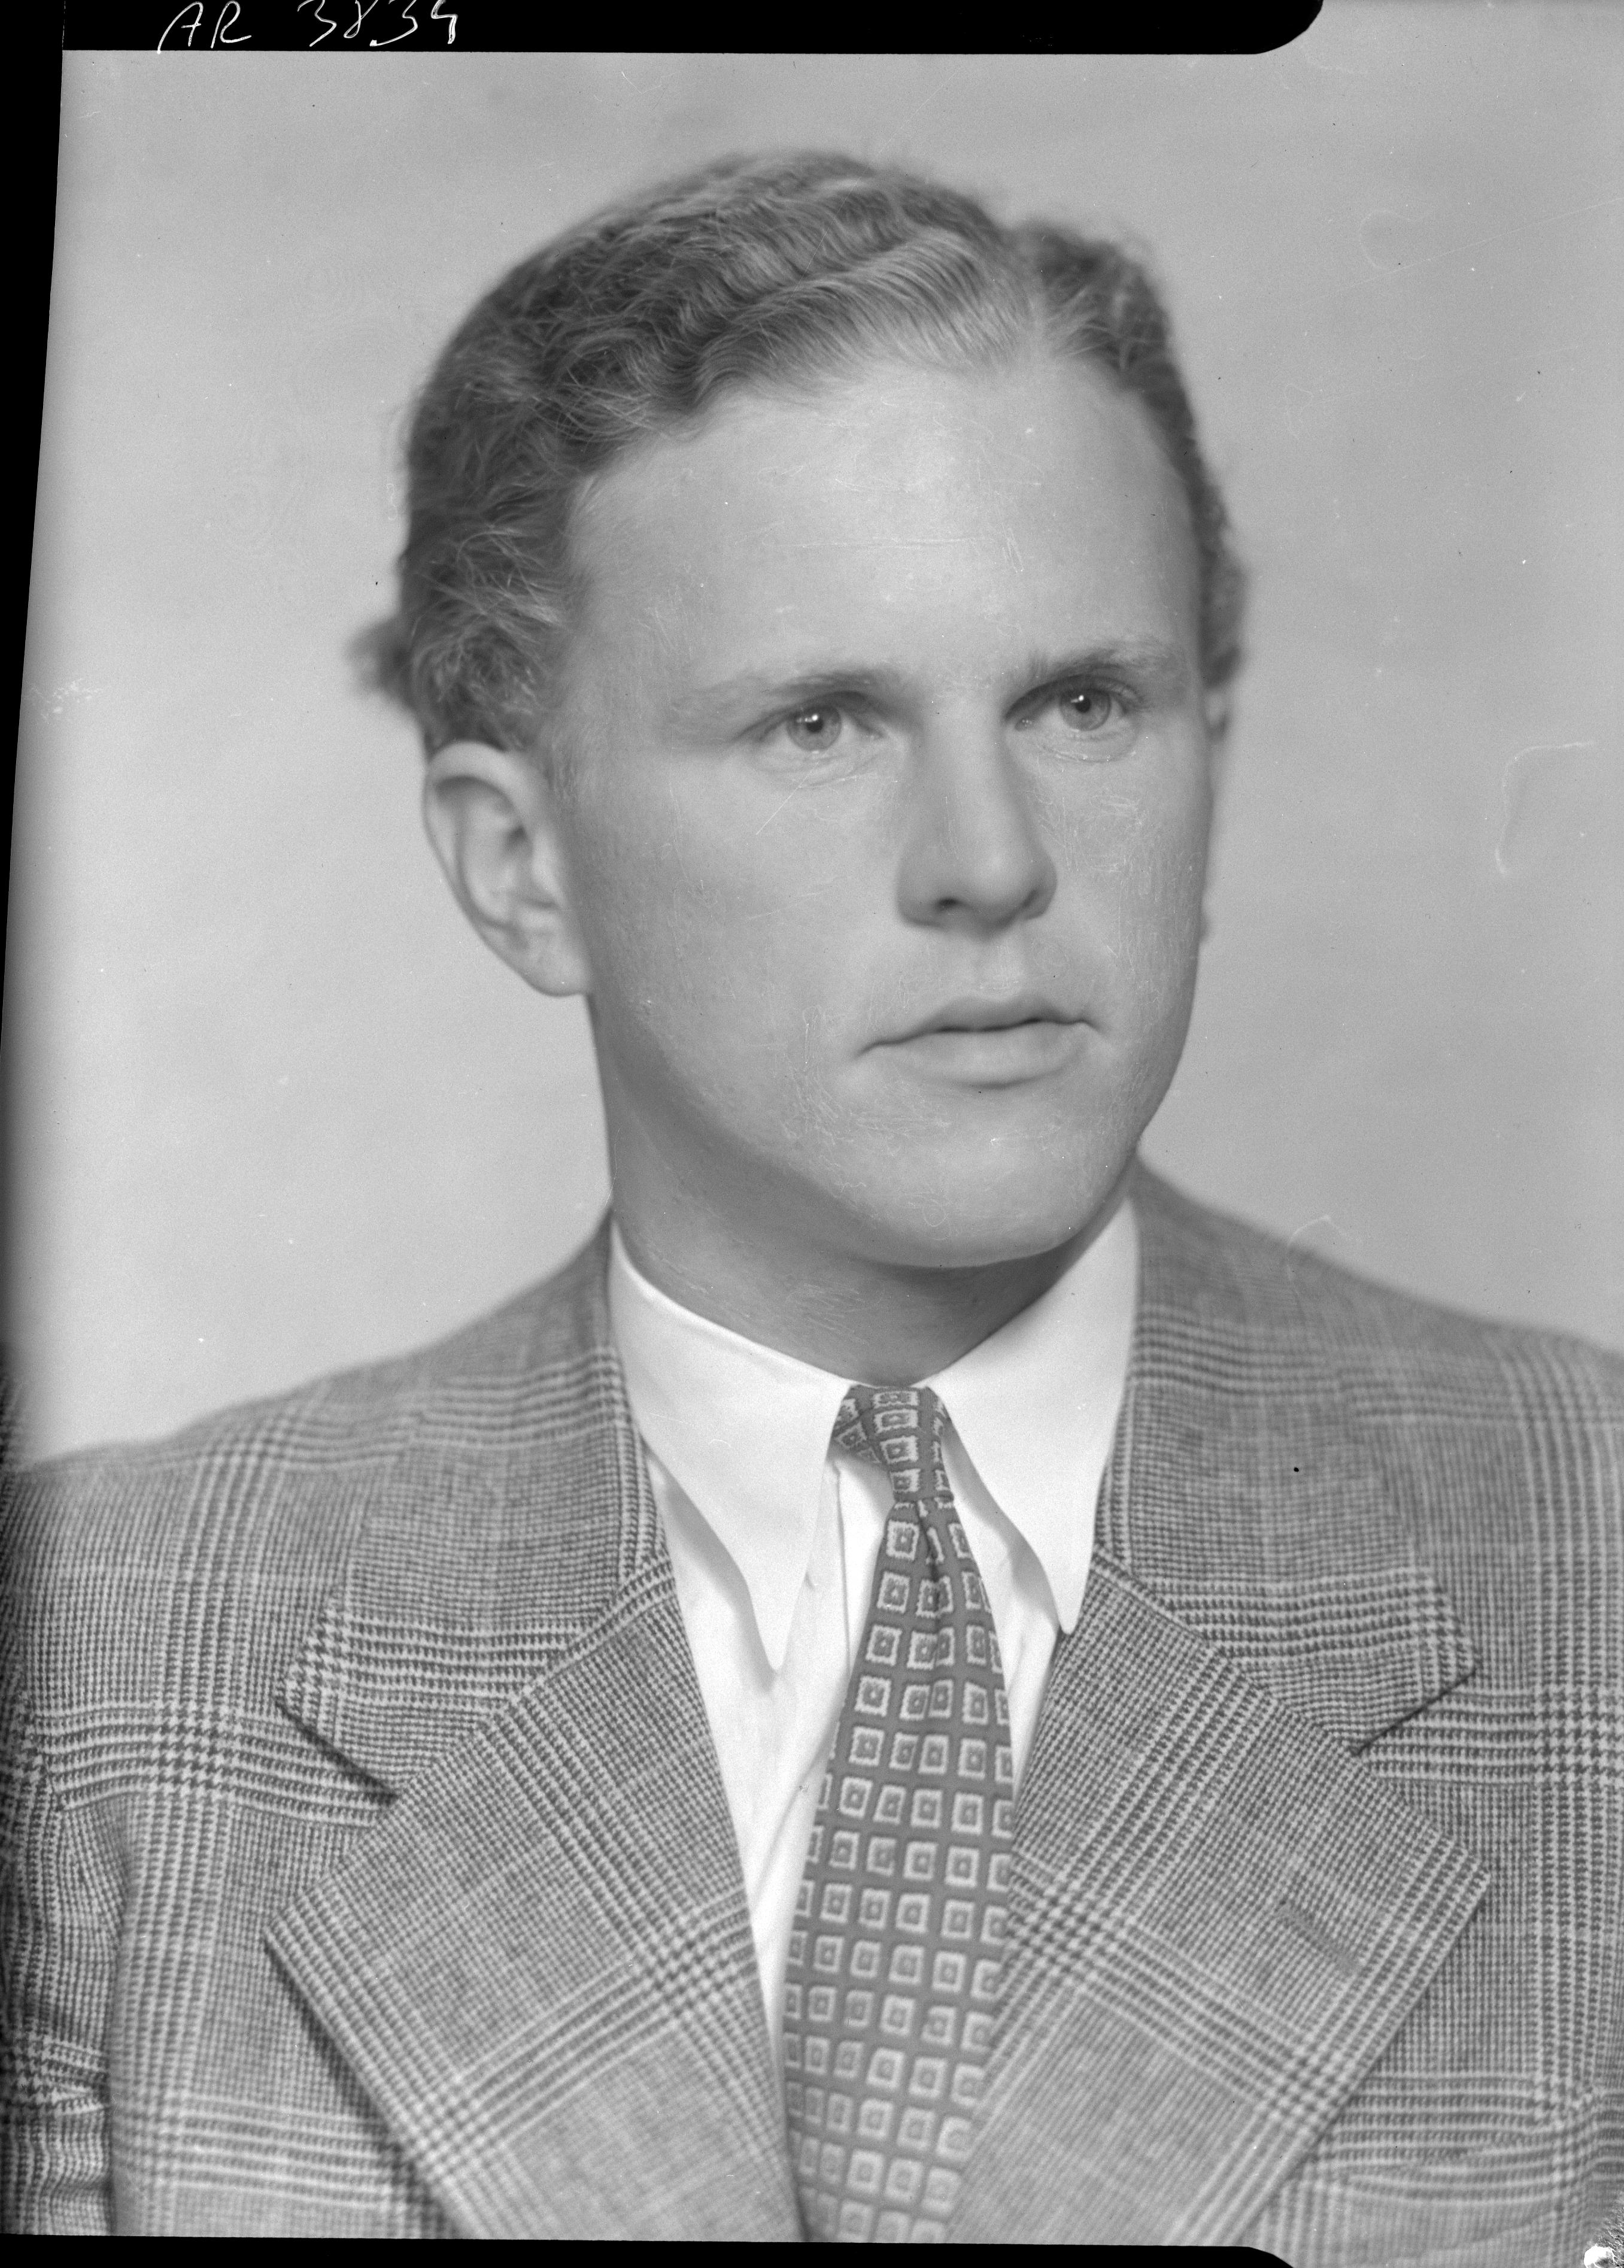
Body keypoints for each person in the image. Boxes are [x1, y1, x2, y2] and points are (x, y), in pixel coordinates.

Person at [2, 152, 1619, 2259]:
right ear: (520, 866)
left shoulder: (1589, 1558)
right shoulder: (104, 1659)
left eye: (1082, 703)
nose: (989, 858)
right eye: (820, 722)